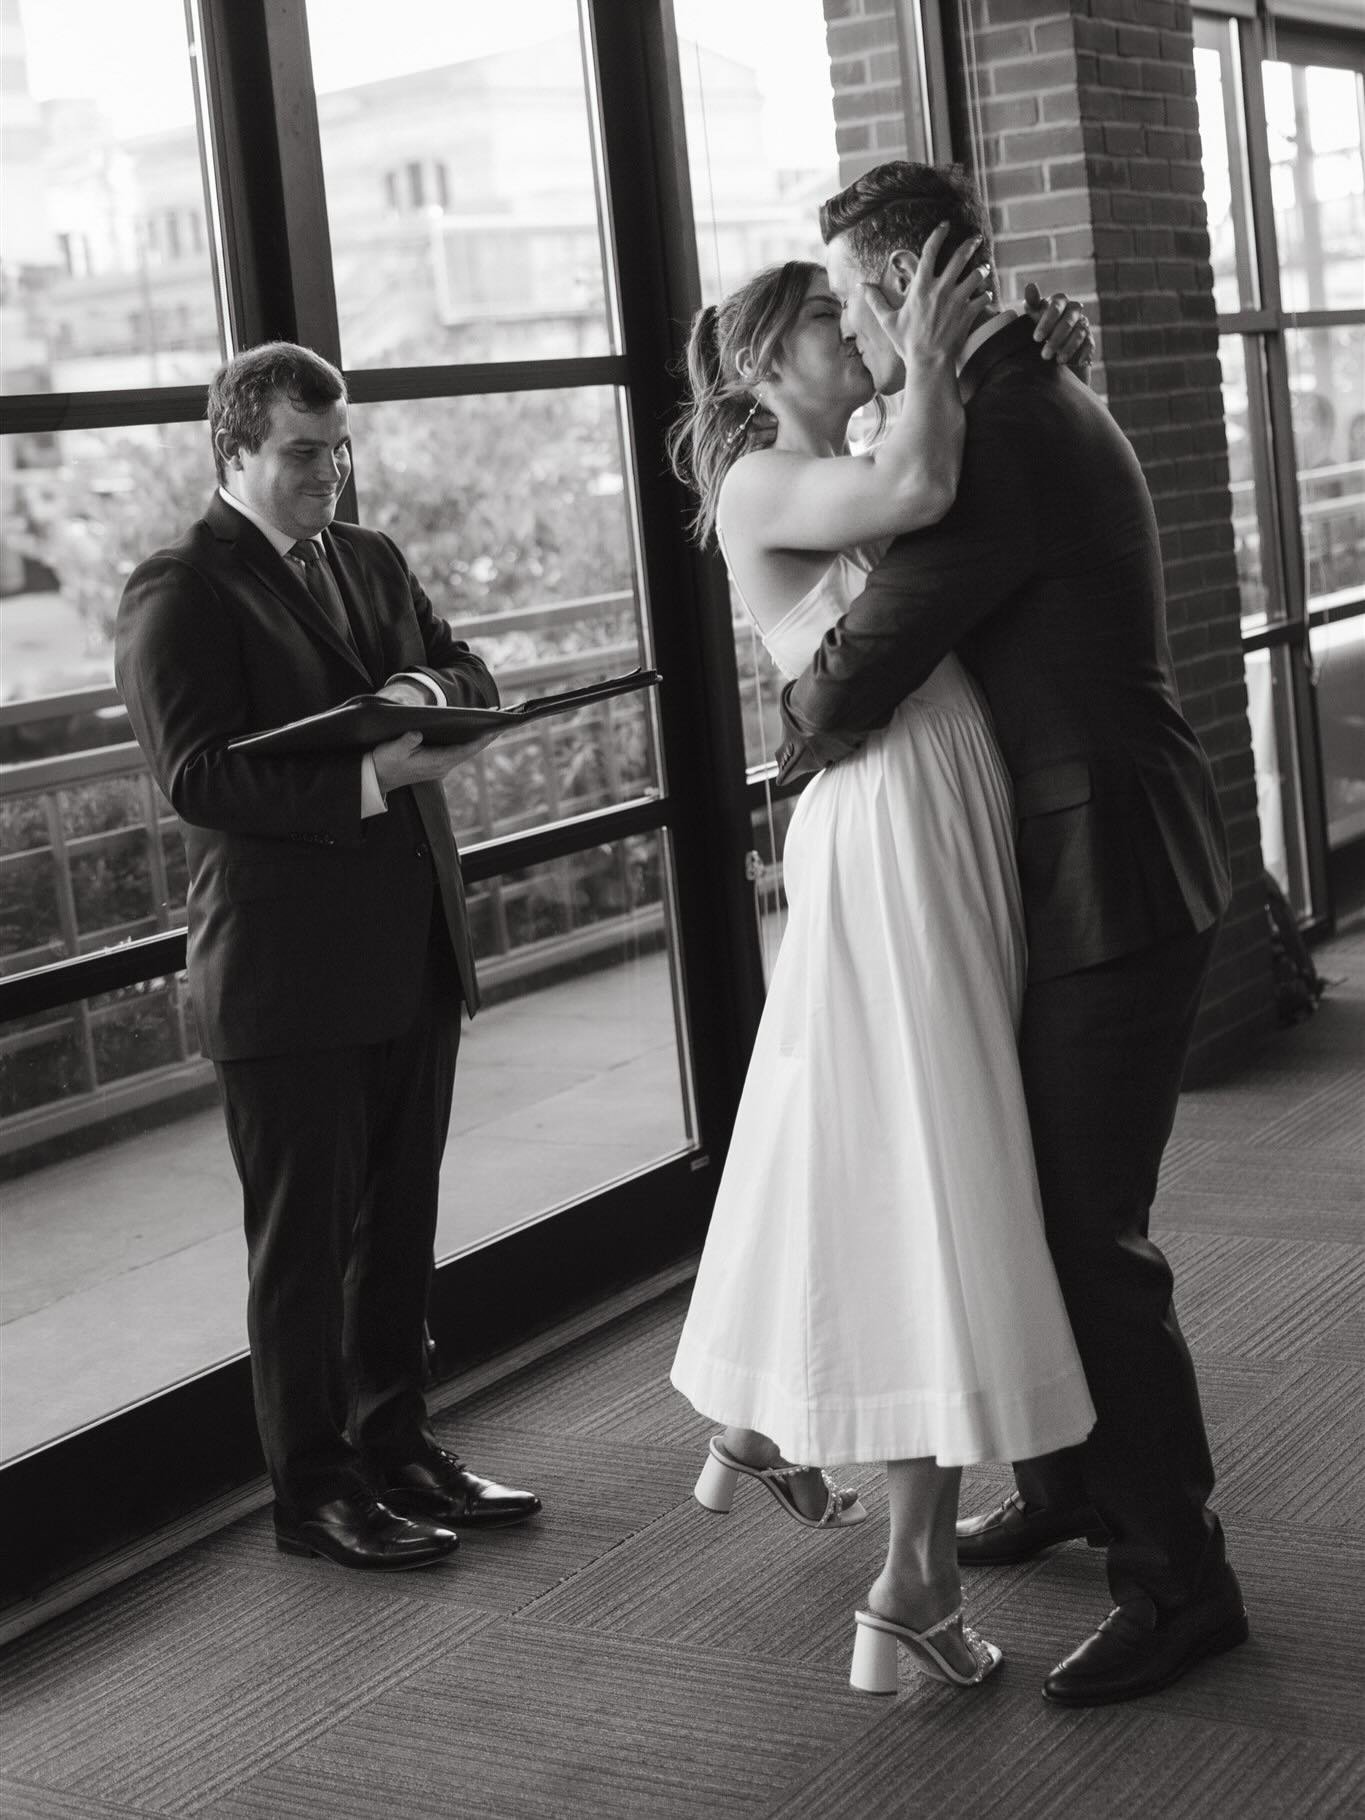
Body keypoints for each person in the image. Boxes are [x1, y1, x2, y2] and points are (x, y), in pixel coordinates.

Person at [778, 161, 1246, 1705]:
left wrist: (787, 712)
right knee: (1045, 1205)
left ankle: (1182, 1586)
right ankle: (1060, 1482)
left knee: (1086, 1244)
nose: (848, 329)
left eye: (853, 296)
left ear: (914, 283)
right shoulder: (1025, 389)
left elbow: (857, 671)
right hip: (1096, 863)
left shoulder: (1002, 440)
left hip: (1103, 881)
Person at [667, 237, 1099, 1693]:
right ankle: (905, 1578)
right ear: (755, 366)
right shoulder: (758, 484)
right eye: (824, 327)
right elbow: (919, 490)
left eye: (853, 319)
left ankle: (791, 1445)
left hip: (923, 795)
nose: (853, 344)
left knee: (886, 1133)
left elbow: (943, 472)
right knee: (928, 1146)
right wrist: (928, 344)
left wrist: (1012, 356)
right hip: (894, 810)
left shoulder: (832, 449)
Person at [116, 341, 541, 1571]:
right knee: (304, 1252)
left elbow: (468, 667)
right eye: (305, 453)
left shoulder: (370, 557)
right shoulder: (179, 587)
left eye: (339, 446)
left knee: (399, 1226)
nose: (331, 473)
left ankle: (400, 1448)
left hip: (409, 950)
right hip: (288, 978)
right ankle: (315, 1491)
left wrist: (421, 682)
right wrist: (367, 776)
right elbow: (196, 775)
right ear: (235, 449)